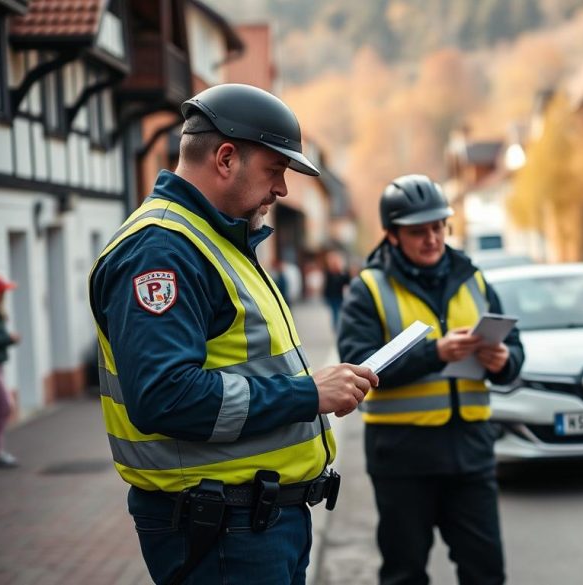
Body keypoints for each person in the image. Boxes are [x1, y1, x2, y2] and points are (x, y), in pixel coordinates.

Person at [88, 83, 379, 585]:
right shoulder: (162, 251)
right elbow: (165, 397)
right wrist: (308, 392)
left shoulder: (210, 240)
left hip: (250, 524)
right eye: (275, 170)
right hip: (224, 531)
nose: (282, 190)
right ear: (225, 158)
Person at [337, 174, 525, 585]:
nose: (432, 238)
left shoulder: (473, 278)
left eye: (438, 227)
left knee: (486, 572)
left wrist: (504, 359)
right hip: (403, 460)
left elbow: (515, 351)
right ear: (391, 235)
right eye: (418, 231)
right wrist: (435, 353)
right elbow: (356, 368)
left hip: (471, 454)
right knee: (405, 575)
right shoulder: (367, 289)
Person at [0, 274, 19, 468]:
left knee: (2, 407)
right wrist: (9, 339)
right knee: (6, 406)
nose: (5, 295)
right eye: (2, 292)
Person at [321, 249, 351, 331]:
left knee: (340, 312)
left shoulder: (342, 272)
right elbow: (327, 285)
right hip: (332, 296)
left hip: (340, 296)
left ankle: (338, 326)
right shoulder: (329, 272)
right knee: (335, 312)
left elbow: (347, 281)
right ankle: (336, 327)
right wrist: (325, 296)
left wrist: (342, 272)